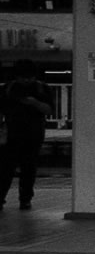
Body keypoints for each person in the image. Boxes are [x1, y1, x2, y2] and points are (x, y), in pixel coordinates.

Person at [0, 59, 52, 211]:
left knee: (28, 169)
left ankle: (25, 199)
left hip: (33, 135)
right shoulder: (7, 89)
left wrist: (34, 103)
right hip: (11, 134)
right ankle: (3, 197)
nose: (26, 80)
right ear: (16, 76)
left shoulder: (42, 89)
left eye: (29, 77)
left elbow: (48, 110)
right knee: (5, 169)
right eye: (23, 77)